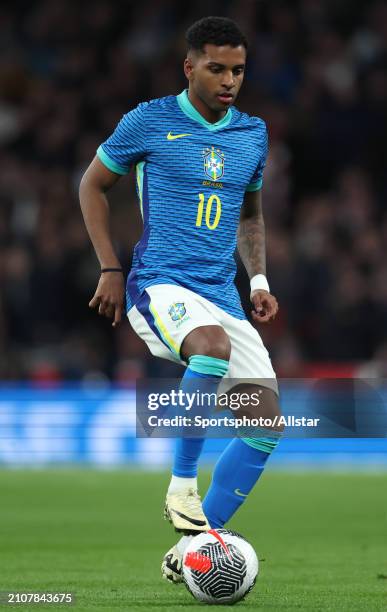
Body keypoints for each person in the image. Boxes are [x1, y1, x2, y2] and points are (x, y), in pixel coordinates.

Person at [79, 16, 283, 584]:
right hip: (160, 282)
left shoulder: (252, 133)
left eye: (238, 70)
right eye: (216, 68)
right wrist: (111, 266)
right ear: (189, 67)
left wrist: (259, 281)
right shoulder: (149, 121)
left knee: (265, 420)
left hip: (222, 290)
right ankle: (181, 487)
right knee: (210, 348)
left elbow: (249, 212)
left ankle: (195, 546)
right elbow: (91, 184)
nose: (229, 81)